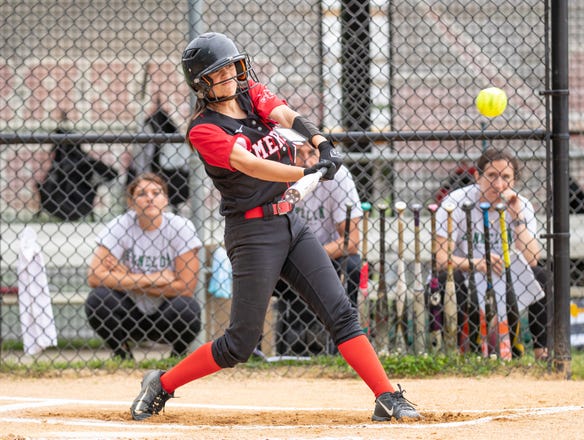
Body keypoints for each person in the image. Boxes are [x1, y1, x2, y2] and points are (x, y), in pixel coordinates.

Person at [129, 32, 420, 422]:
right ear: (202, 82)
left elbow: (284, 114)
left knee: (341, 313)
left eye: (233, 66)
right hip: (252, 234)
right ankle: (162, 384)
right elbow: (249, 163)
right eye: (220, 72)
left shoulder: (251, 95)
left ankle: (386, 394)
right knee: (239, 343)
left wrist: (320, 141)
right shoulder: (203, 129)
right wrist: (305, 170)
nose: (232, 75)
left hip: (290, 223)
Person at [433, 147, 548, 360]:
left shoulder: (520, 205)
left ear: (514, 181)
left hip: (508, 277)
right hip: (468, 274)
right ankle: (458, 353)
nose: (498, 185)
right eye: (492, 176)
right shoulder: (455, 202)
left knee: (542, 276)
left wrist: (517, 219)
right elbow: (441, 258)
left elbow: (532, 259)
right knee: (446, 280)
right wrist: (476, 263)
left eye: (506, 177)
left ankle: (543, 353)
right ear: (477, 176)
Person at [85, 172, 202, 360]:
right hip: (130, 312)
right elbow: (94, 276)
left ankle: (177, 356)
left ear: (165, 199)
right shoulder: (120, 225)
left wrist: (125, 276)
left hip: (166, 313)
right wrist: (153, 279)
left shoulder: (181, 227)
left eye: (156, 193)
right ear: (131, 202)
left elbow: (186, 287)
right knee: (98, 299)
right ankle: (122, 354)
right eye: (141, 194)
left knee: (187, 308)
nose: (150, 198)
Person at [274, 142, 362, 356]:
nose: (307, 162)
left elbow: (351, 240)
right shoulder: (276, 174)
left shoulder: (337, 177)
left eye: (312, 153)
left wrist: (310, 259)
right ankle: (254, 352)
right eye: (298, 154)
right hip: (282, 258)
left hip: (327, 256)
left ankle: (344, 349)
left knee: (352, 264)